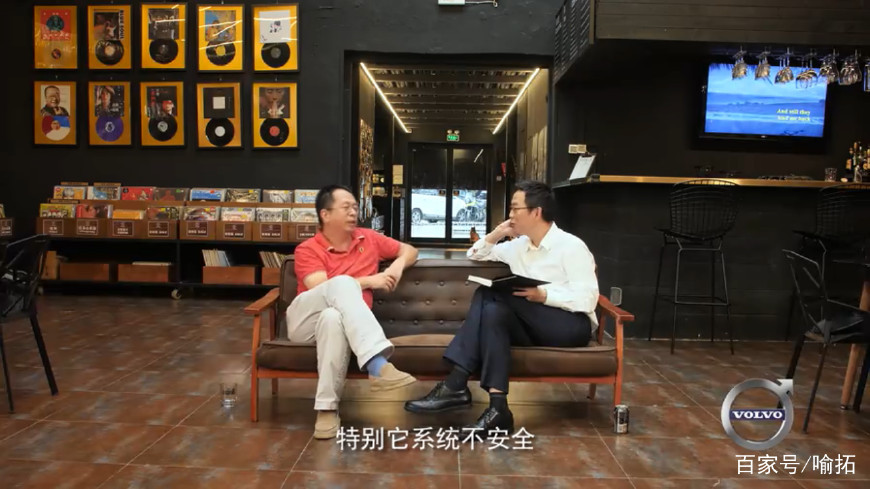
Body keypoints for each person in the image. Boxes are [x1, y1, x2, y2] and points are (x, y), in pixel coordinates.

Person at [404, 180, 599, 436]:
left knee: (489, 295)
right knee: (493, 311)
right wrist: (498, 232)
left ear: (536, 212)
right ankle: (498, 409)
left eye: (515, 208)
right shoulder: (519, 245)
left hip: (569, 326)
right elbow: (475, 254)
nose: (510, 214)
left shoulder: (571, 246)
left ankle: (456, 384)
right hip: (531, 326)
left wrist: (544, 295)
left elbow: (587, 299)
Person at [288, 184, 419, 440]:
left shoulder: (368, 238)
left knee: (333, 318)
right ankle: (377, 363)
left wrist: (397, 266)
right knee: (340, 286)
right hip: (305, 321)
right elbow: (322, 288)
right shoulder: (307, 249)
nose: (353, 212)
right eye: (346, 207)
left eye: (355, 207)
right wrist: (371, 281)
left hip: (338, 325)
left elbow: (410, 250)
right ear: (325, 214)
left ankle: (326, 409)